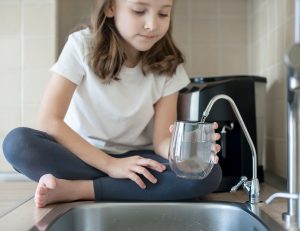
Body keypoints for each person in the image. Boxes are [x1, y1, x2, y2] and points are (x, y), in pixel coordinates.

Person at [2, 0, 222, 208]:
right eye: (138, 10)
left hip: (138, 160)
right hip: (82, 155)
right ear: (110, 7)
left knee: (209, 175)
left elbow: (162, 141)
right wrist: (111, 166)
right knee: (18, 144)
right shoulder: (81, 45)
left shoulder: (170, 66)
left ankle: (79, 189)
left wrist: (186, 152)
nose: (152, 24)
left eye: (164, 13)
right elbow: (49, 121)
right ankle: (118, 187)